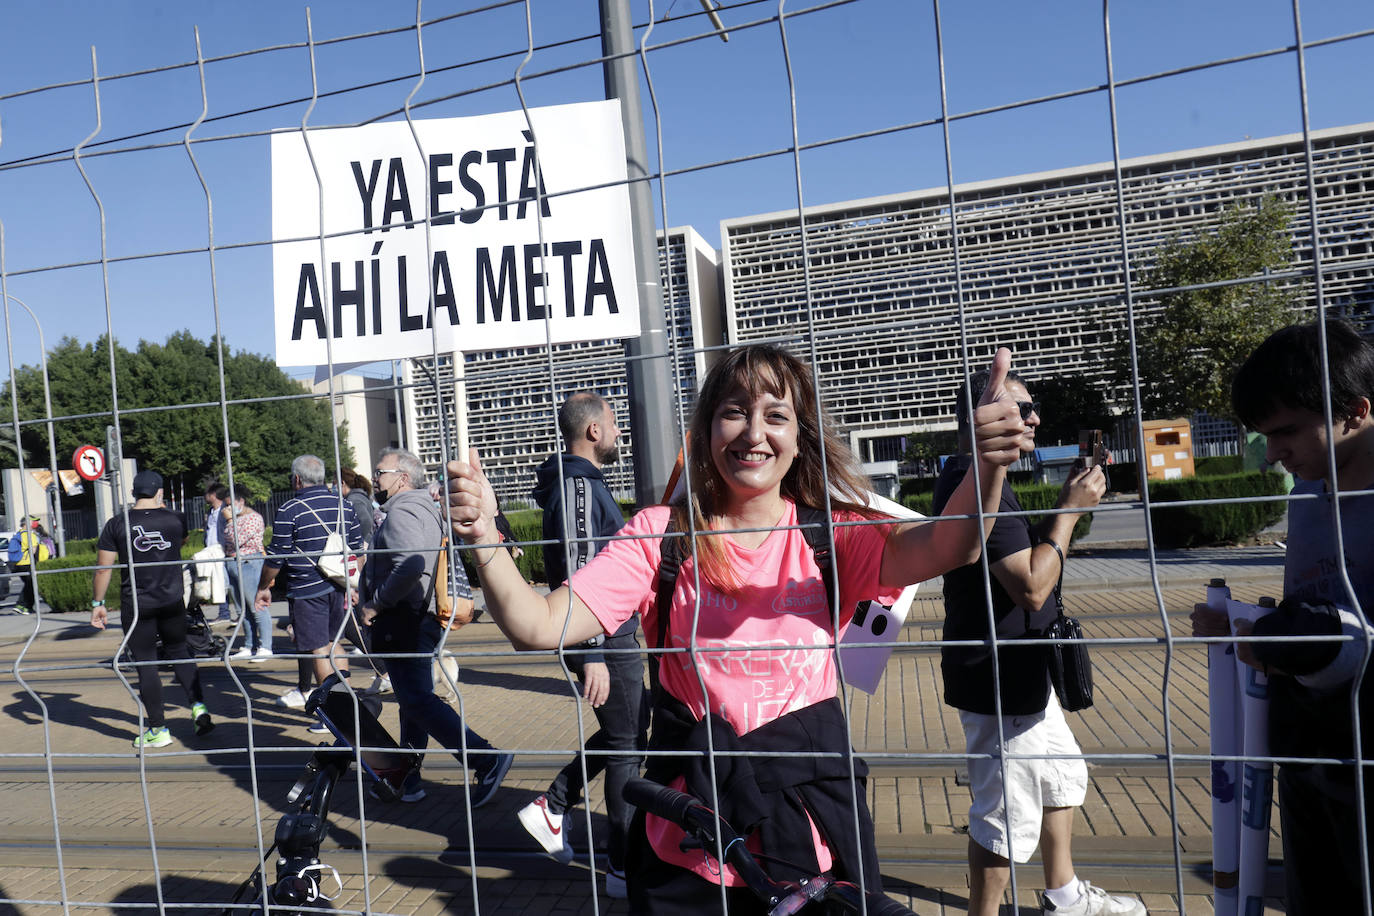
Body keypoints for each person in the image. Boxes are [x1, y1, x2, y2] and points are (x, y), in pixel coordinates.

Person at [447, 343, 1024, 912]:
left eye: (776, 416)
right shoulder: (659, 536)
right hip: (686, 839)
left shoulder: (834, 534)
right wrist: (484, 540)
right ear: (705, 431)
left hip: (811, 837)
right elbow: (537, 624)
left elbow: (954, 543)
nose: (754, 433)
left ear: (800, 440)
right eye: (733, 412)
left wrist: (986, 464)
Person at [933, 370, 1143, 916]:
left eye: (1034, 408)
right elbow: (1030, 584)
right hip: (998, 679)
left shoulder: (986, 479)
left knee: (1061, 775)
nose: (1035, 418)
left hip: (1025, 671)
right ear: (980, 416)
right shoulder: (972, 487)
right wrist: (1071, 510)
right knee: (1004, 816)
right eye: (1022, 408)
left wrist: (1065, 503)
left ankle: (1065, 895)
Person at [1192, 318, 1374, 914]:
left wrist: (1293, 638)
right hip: (1309, 745)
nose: (1273, 454)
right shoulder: (1306, 491)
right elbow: (1317, 605)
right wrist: (1248, 628)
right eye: (1263, 436)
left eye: (1287, 432)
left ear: (1355, 410)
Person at [518, 392, 646, 896]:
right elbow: (580, 569)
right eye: (613, 425)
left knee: (628, 734)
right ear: (593, 431)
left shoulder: (581, 482)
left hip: (608, 633)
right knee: (626, 745)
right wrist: (592, 651)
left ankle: (552, 805)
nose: (617, 434)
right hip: (605, 635)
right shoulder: (576, 485)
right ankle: (621, 865)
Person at [358, 447, 512, 805]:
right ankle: (407, 779)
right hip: (419, 618)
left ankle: (485, 758)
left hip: (405, 619)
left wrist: (374, 602)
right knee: (413, 701)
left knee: (418, 700)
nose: (375, 479)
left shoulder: (402, 510)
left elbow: (411, 566)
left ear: (403, 478)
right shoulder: (423, 507)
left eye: (380, 472)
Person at [90, 470, 214, 748]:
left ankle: (158, 729)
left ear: (134, 493)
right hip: (172, 599)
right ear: (160, 492)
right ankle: (199, 708)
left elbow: (103, 569)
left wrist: (98, 604)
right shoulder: (175, 518)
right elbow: (180, 543)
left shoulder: (116, 524)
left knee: (146, 663)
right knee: (181, 651)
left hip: (137, 604)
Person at [255, 455, 363, 716]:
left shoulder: (290, 510)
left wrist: (264, 586)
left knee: (319, 648)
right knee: (335, 643)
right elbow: (359, 551)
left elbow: (276, 557)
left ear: (297, 479)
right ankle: (349, 708)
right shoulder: (344, 506)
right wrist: (353, 585)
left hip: (306, 591)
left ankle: (333, 713)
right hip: (339, 587)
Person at [222, 487, 272, 661]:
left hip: (249, 562)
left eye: (230, 505)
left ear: (240, 502)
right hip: (233, 563)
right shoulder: (235, 518)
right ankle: (250, 644)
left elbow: (236, 539)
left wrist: (229, 521)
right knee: (241, 609)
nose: (227, 509)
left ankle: (266, 646)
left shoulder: (254, 518)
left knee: (256, 605)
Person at [10, 515, 51, 615]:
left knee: (30, 585)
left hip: (18, 564)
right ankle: (21, 605)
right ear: (26, 523)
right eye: (33, 521)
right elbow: (33, 550)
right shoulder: (30, 535)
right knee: (31, 585)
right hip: (27, 563)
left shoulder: (19, 534)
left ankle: (28, 607)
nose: (35, 523)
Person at [203, 483, 231, 624]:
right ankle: (224, 613)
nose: (205, 496)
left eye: (207, 494)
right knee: (218, 583)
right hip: (211, 551)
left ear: (213, 495)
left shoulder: (225, 511)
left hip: (223, 550)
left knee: (227, 582)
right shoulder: (210, 512)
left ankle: (230, 613)